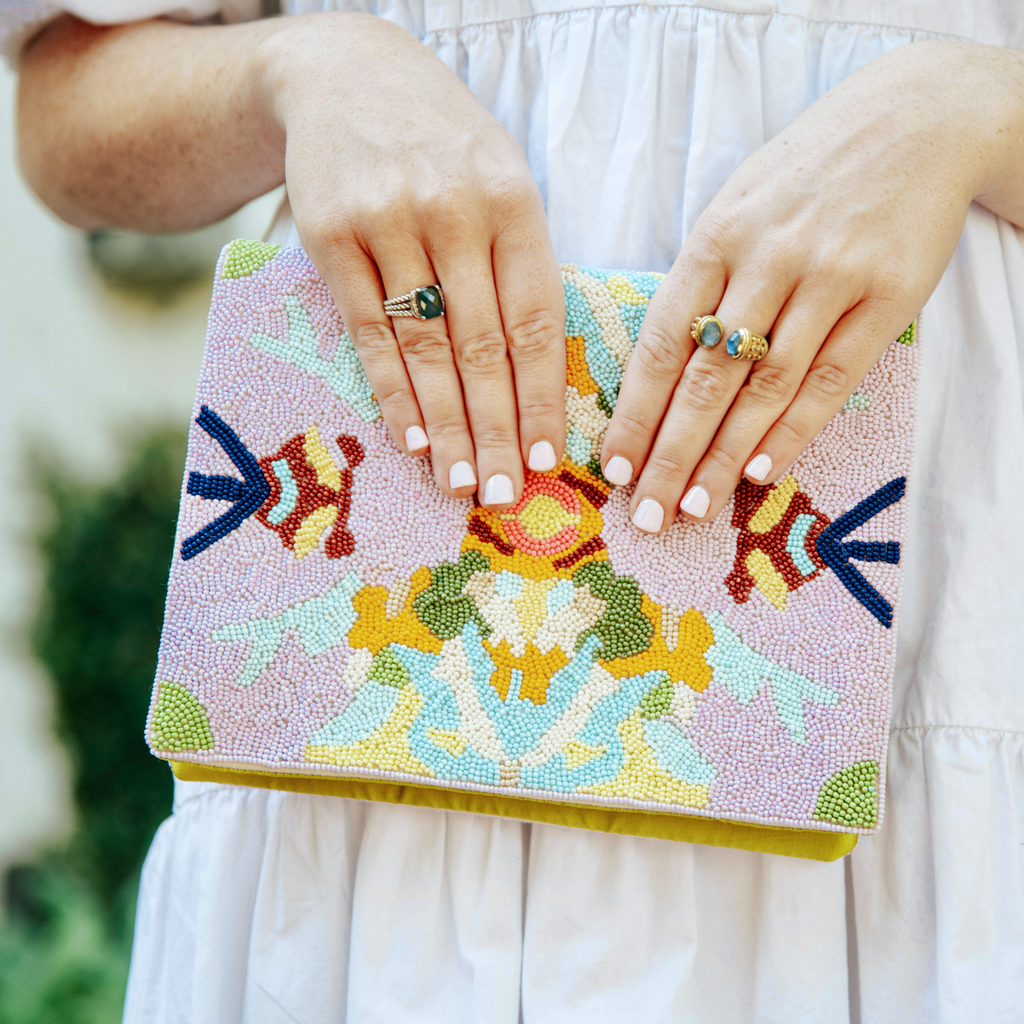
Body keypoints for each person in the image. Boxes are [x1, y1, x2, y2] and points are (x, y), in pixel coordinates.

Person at [6, 0, 1024, 1019]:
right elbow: (64, 121)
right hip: (379, 675)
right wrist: (296, 70)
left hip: (919, 576)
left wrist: (972, 109)